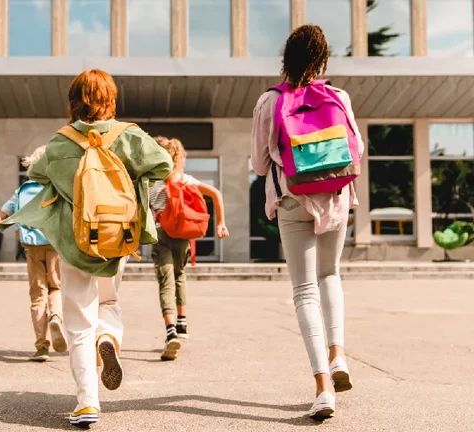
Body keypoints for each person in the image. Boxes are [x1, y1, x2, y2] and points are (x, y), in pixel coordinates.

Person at [0, 69, 172, 428]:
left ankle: (87, 402)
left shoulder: (60, 143)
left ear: (74, 100)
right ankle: (108, 337)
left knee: (78, 321)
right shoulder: (130, 136)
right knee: (108, 301)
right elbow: (164, 165)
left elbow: (37, 176)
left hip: (76, 240)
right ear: (111, 99)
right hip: (118, 237)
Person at [251, 25, 362, 420]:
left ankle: (322, 387)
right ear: (322, 60)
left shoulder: (269, 101)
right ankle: (338, 356)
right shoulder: (338, 95)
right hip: (334, 197)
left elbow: (259, 164)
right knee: (330, 276)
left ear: (287, 58)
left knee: (304, 291)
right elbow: (357, 149)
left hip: (293, 199)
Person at [148, 136, 229, 361]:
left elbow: (144, 210)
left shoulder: (152, 182)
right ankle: (182, 324)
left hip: (161, 234)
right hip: (182, 235)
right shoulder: (185, 179)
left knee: (166, 281)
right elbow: (216, 194)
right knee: (180, 275)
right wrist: (220, 223)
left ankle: (170, 330)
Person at [0, 145, 67, 362]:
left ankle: (41, 346)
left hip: (32, 247)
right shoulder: (57, 188)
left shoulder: (22, 190)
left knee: (37, 295)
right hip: (55, 245)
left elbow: (3, 215)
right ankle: (56, 316)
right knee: (56, 288)